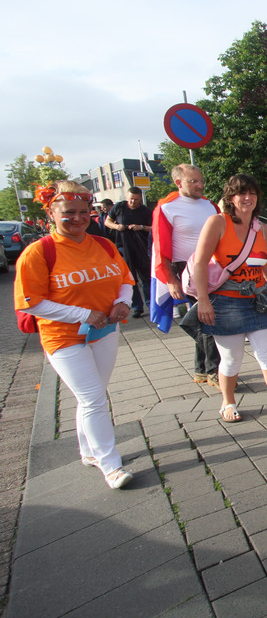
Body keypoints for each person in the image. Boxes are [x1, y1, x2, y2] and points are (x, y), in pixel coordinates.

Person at [14, 180, 135, 489]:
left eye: (84, 211)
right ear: (51, 213)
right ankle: (111, 465)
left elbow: (125, 278)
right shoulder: (38, 253)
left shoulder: (103, 245)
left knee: (91, 396)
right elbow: (31, 302)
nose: (78, 218)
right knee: (94, 398)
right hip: (63, 338)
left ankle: (89, 451)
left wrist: (123, 302)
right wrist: (82, 314)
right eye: (68, 212)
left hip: (105, 330)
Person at [192, 174, 267, 427]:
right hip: (227, 301)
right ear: (230, 198)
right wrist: (203, 300)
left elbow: (264, 263)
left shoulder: (260, 227)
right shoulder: (217, 222)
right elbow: (199, 263)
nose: (247, 198)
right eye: (241, 193)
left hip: (259, 299)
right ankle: (228, 402)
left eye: (252, 193)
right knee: (232, 358)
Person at [150, 164, 221, 385]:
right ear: (178, 183)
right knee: (208, 318)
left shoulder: (210, 206)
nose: (200, 185)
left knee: (205, 318)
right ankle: (214, 371)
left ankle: (202, 369)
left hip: (212, 268)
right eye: (194, 181)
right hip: (184, 271)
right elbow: (160, 248)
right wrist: (170, 279)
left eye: (201, 181)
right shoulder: (167, 208)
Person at [106, 187, 152, 318]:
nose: (133, 202)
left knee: (146, 277)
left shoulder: (146, 211)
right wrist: (117, 226)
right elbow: (107, 222)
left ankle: (150, 304)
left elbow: (155, 228)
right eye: (131, 199)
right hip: (123, 247)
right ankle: (137, 307)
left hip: (141, 247)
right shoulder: (119, 207)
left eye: (136, 199)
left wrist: (141, 227)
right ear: (127, 196)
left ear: (140, 199)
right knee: (130, 278)